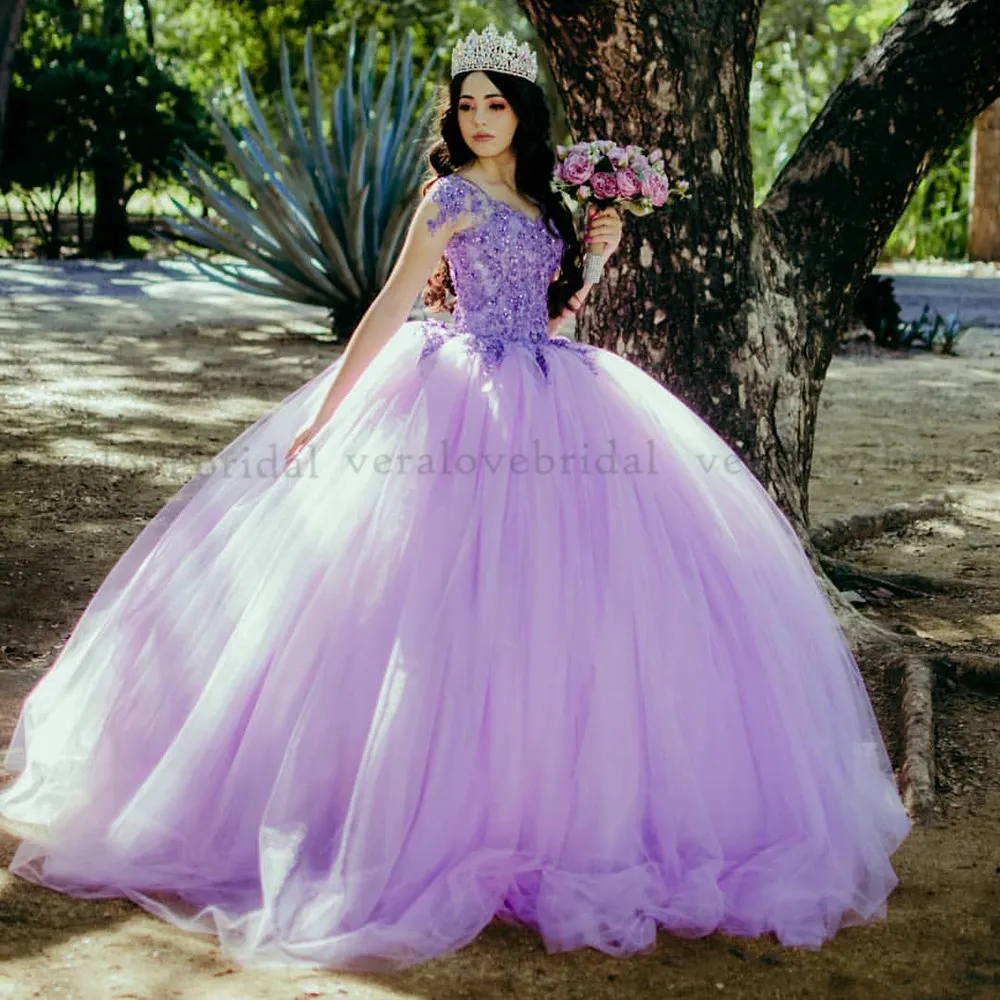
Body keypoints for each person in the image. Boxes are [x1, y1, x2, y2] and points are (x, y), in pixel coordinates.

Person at [0, 23, 910, 973]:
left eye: (497, 104)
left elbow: (553, 316)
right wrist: (325, 416)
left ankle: (542, 808)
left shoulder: (546, 199)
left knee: (558, 609)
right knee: (434, 603)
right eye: (467, 104)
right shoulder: (449, 197)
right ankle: (403, 807)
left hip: (555, 391)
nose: (480, 120)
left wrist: (595, 255)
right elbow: (392, 304)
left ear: (524, 114)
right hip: (459, 396)